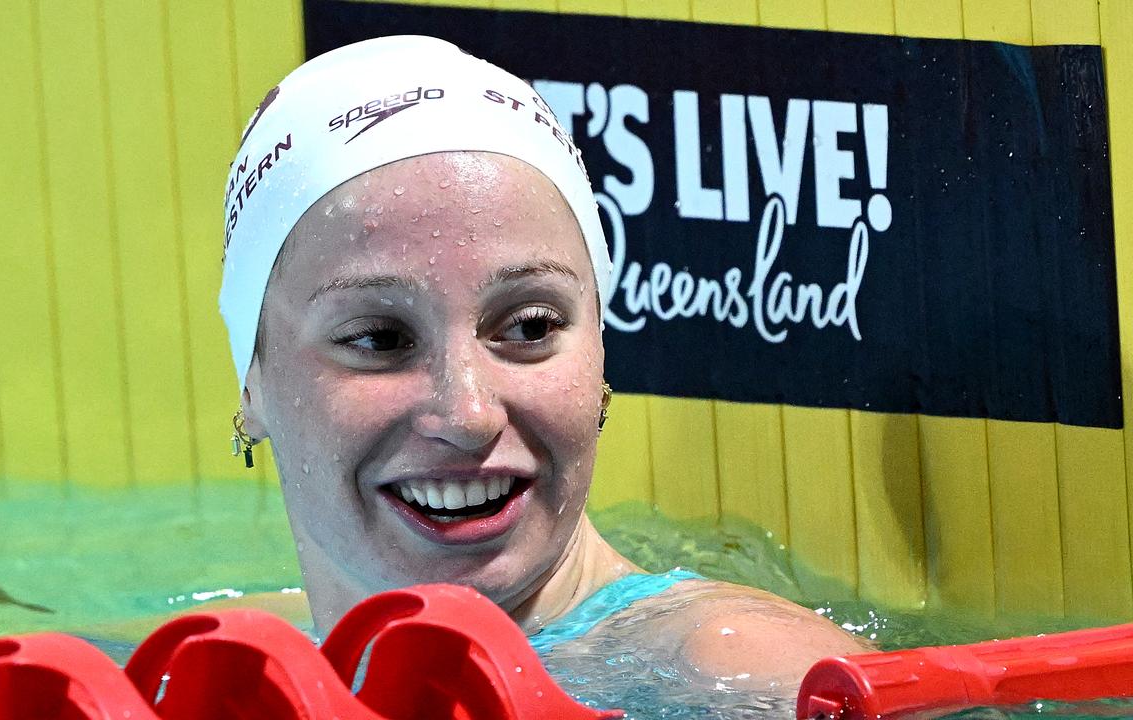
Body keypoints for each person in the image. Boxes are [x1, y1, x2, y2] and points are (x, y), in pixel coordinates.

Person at [220, 35, 867, 691]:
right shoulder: (229, 665)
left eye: (529, 326)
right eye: (382, 339)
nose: (468, 414)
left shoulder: (749, 673)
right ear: (254, 382)